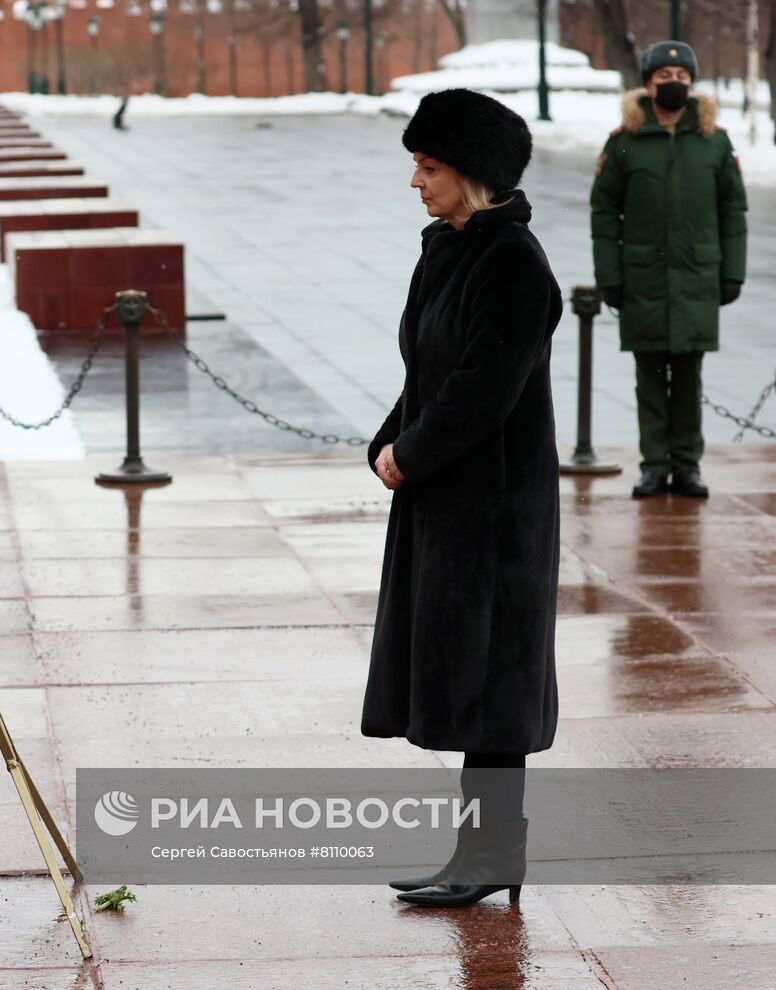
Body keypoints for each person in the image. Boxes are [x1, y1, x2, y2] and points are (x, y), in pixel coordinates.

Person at [363, 88, 562, 908]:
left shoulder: (512, 261)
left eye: (429, 165)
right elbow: (431, 371)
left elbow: (486, 388)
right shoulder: (447, 248)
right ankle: (478, 854)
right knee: (469, 680)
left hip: (496, 510)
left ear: (473, 174)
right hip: (451, 498)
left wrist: (411, 454)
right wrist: (388, 439)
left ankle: (491, 856)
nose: (416, 181)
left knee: (493, 687)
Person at [591, 41, 747, 499]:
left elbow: (732, 209)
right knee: (650, 377)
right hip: (644, 277)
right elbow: (604, 211)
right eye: (664, 78)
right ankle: (654, 466)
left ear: (691, 84)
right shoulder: (624, 143)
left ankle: (688, 467)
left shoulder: (714, 141)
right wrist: (610, 276)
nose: (674, 84)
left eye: (681, 78)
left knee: (689, 375)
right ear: (648, 84)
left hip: (697, 275)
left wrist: (731, 272)